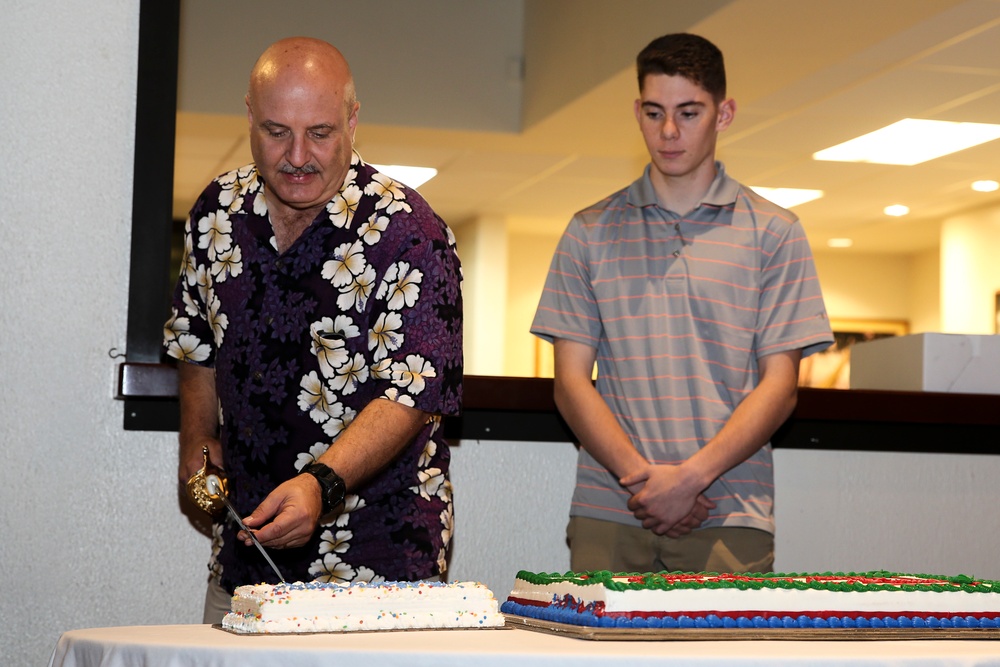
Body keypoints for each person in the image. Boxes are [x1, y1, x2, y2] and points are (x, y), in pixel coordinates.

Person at [163, 37, 463, 623]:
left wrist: (321, 484)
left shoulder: (410, 232)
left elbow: (412, 394)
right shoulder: (216, 212)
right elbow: (195, 342)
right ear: (250, 118)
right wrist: (196, 445)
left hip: (379, 566)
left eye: (320, 133)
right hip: (245, 556)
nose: (298, 155)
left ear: (353, 121)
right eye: (277, 131)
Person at [531, 33, 833, 575]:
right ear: (637, 112)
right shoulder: (589, 232)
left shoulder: (775, 233)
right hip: (612, 508)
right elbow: (571, 384)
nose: (669, 132)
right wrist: (648, 485)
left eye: (689, 112)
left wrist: (690, 478)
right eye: (654, 112)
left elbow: (780, 388)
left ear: (724, 113)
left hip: (730, 510)